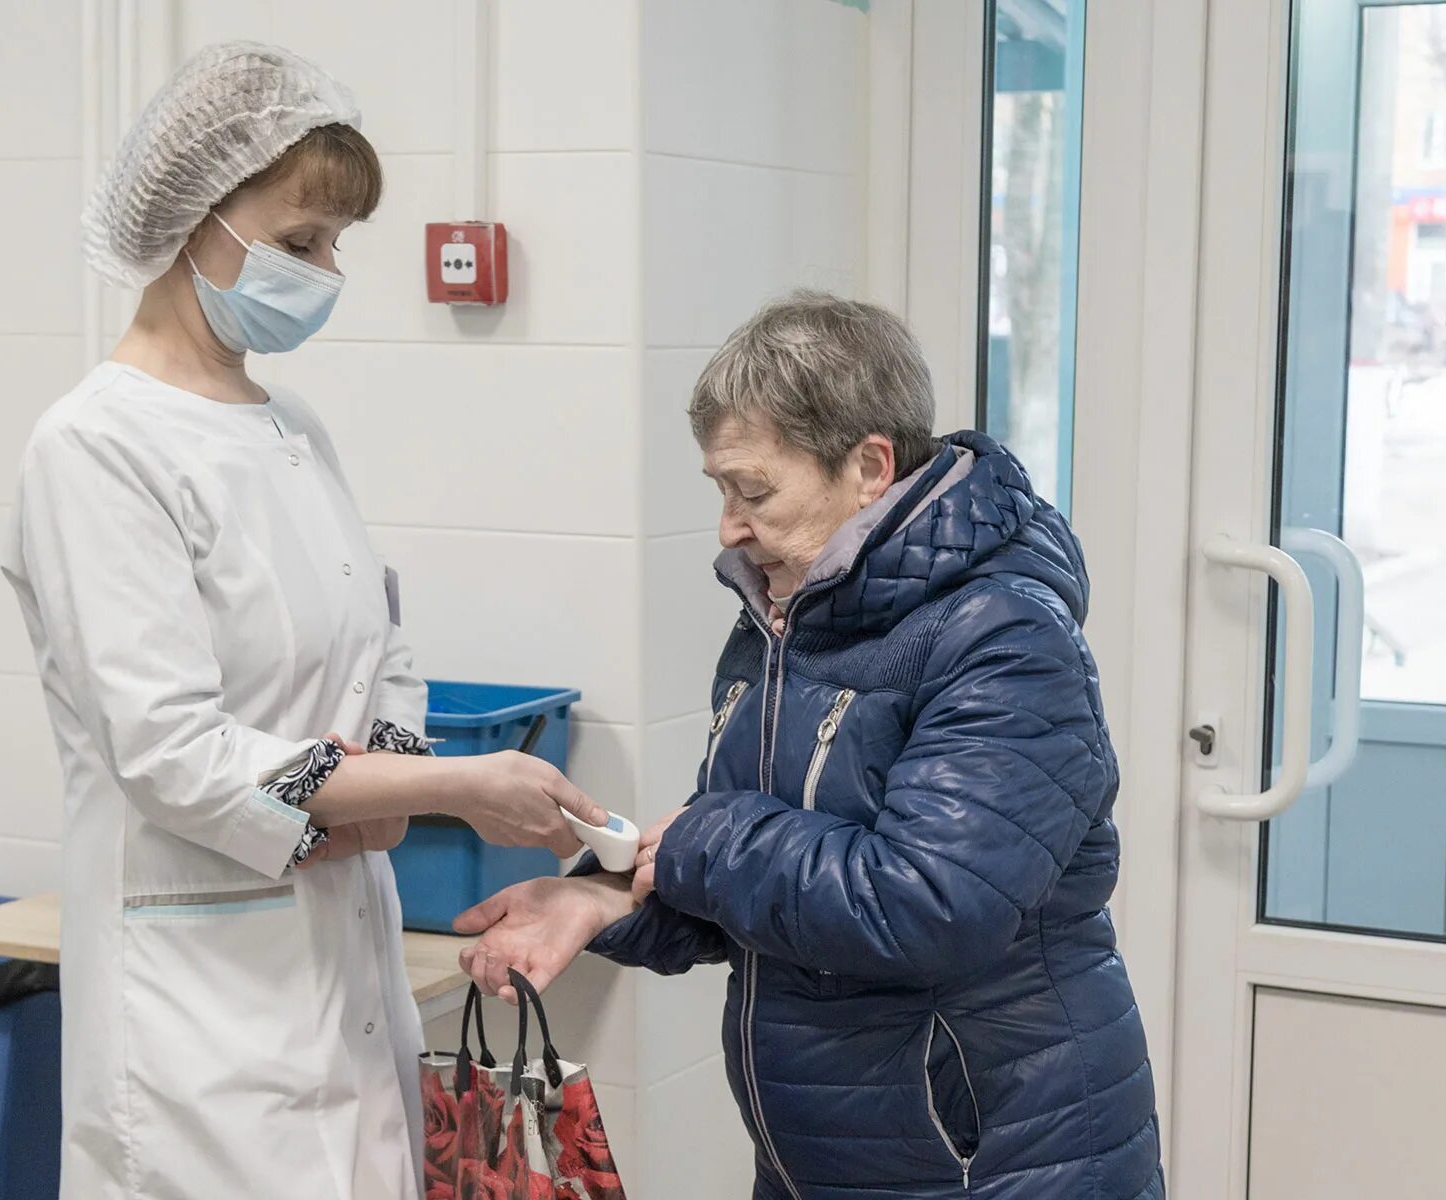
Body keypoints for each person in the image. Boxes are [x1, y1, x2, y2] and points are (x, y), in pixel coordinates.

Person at [1, 43, 606, 1200]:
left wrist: (387, 792)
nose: (326, 272)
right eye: (297, 242)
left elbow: (387, 664)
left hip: (339, 965)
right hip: (196, 1006)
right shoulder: (95, 449)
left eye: (335, 245)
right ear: (191, 220)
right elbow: (174, 754)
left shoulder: (290, 433)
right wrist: (439, 792)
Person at [458, 293, 1164, 1198]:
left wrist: (699, 841)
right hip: (828, 1158)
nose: (729, 526)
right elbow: (776, 888)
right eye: (721, 490)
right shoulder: (785, 616)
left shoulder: (1003, 637)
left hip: (991, 1160)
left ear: (870, 467)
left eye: (753, 491)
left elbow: (926, 904)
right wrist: (604, 901)